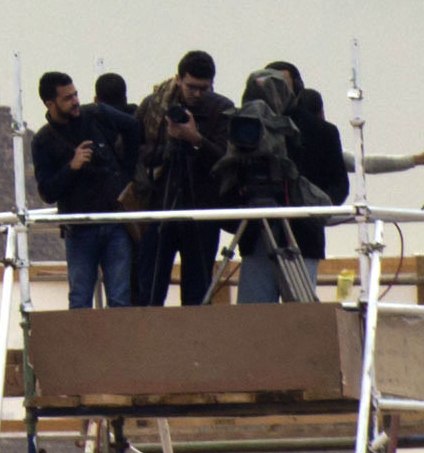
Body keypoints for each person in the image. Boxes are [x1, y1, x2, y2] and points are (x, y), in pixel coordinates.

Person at [230, 62, 351, 305]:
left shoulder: (321, 132)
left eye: (281, 84)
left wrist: (319, 204)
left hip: (303, 235)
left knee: (301, 314)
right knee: (254, 314)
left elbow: (339, 183)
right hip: (257, 233)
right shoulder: (246, 129)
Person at [126, 52, 238, 308]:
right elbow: (134, 151)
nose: (197, 94)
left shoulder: (221, 109)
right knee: (150, 286)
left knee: (197, 292)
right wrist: (165, 148)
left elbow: (226, 158)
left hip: (202, 209)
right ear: (178, 79)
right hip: (161, 205)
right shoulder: (155, 105)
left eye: (203, 88)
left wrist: (195, 139)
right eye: (191, 87)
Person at [35, 70, 133, 308]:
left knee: (120, 298)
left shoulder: (96, 115)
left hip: (114, 222)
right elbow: (47, 192)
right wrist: (72, 166)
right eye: (67, 98)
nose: (76, 101)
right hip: (79, 230)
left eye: (76, 94)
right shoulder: (43, 140)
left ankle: (120, 347)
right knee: (79, 298)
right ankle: (82, 347)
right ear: (50, 103)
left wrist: (127, 176)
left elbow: (133, 126)